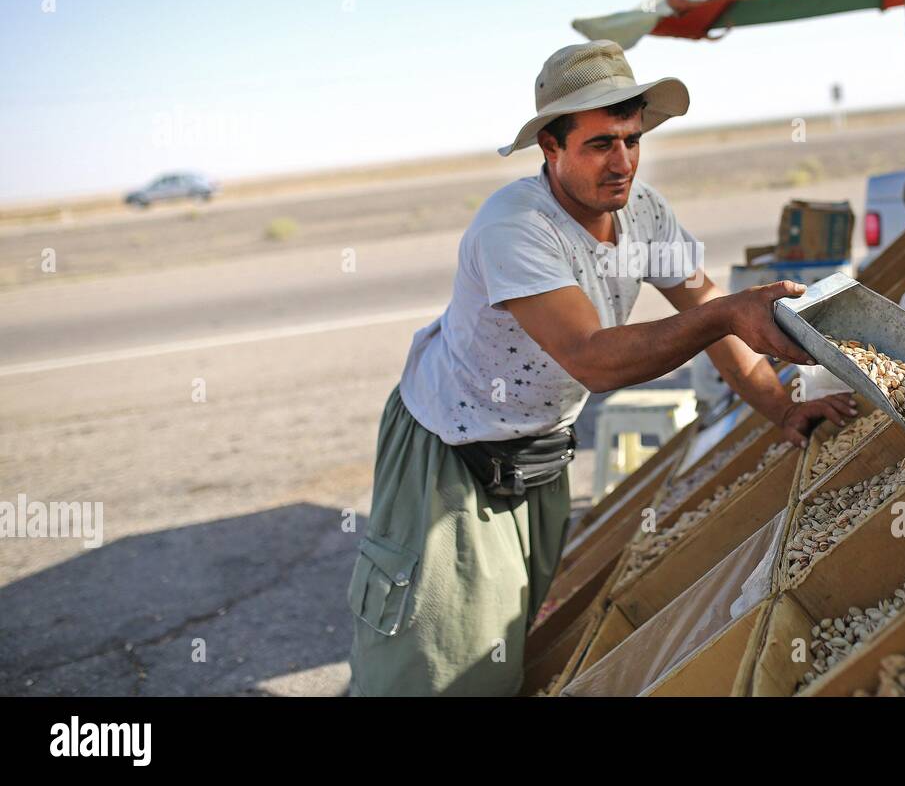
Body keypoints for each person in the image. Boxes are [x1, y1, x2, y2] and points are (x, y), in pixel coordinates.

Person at [347, 38, 856, 695]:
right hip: (452, 455)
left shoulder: (643, 211)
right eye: (599, 145)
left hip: (539, 451)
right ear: (550, 148)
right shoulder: (515, 228)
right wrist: (725, 315)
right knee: (438, 669)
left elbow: (701, 299)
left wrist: (783, 408)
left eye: (632, 139)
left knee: (506, 645)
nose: (623, 163)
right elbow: (593, 358)